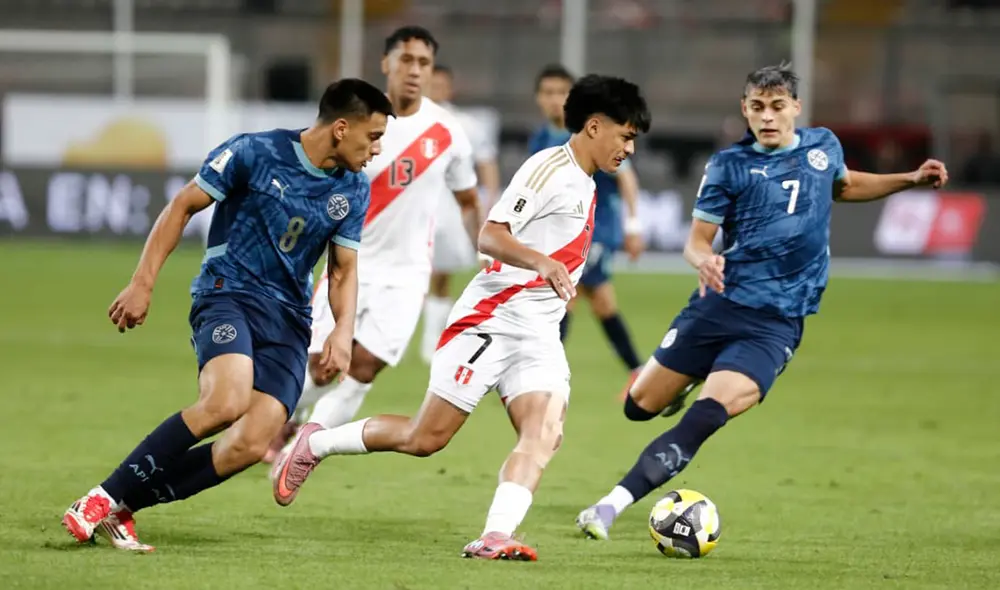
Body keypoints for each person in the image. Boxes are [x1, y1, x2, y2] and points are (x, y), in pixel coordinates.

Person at [272, 74, 652, 561]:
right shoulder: (548, 169)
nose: (629, 149)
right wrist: (542, 262)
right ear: (596, 127)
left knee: (545, 433)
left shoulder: (584, 179)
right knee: (424, 438)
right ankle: (316, 443)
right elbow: (490, 236)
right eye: (626, 137)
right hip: (488, 322)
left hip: (537, 334)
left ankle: (493, 536)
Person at [575, 63, 949, 540]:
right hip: (718, 305)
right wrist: (703, 259)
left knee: (704, 419)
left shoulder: (822, 147)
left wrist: (910, 179)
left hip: (775, 323)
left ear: (795, 107)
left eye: (776, 107)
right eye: (757, 108)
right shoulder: (729, 165)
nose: (767, 117)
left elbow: (846, 185)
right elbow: (696, 241)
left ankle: (607, 508)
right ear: (744, 110)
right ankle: (686, 380)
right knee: (639, 405)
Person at [60, 79, 393, 552]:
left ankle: (123, 509)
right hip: (228, 294)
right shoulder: (254, 152)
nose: (377, 148)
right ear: (342, 128)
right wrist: (142, 281)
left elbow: (343, 271)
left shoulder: (354, 188)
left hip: (290, 320)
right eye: (373, 136)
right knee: (225, 403)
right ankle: (101, 497)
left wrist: (343, 331)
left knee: (251, 444)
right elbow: (182, 206)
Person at [263, 26, 482, 462]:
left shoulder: (448, 133)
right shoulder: (358, 122)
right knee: (322, 367)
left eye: (424, 63)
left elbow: (469, 199)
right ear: (386, 63)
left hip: (407, 274)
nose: (414, 70)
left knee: (363, 368)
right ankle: (268, 422)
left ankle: (303, 450)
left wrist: (486, 250)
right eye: (406, 60)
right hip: (348, 263)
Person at [529, 64, 645, 395]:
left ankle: (542, 377)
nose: (554, 100)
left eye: (561, 93)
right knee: (602, 303)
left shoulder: (590, 133)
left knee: (563, 296)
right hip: (561, 232)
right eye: (547, 93)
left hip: (594, 231)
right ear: (538, 98)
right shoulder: (541, 137)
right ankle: (639, 371)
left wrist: (633, 226)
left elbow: (626, 177)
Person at [420, 63, 502, 363]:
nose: (437, 90)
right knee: (413, 273)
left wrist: (490, 199)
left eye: (443, 85)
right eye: (433, 84)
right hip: (415, 209)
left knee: (442, 275)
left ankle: (432, 341)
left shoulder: (464, 124)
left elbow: (486, 162)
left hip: (450, 209)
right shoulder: (408, 121)